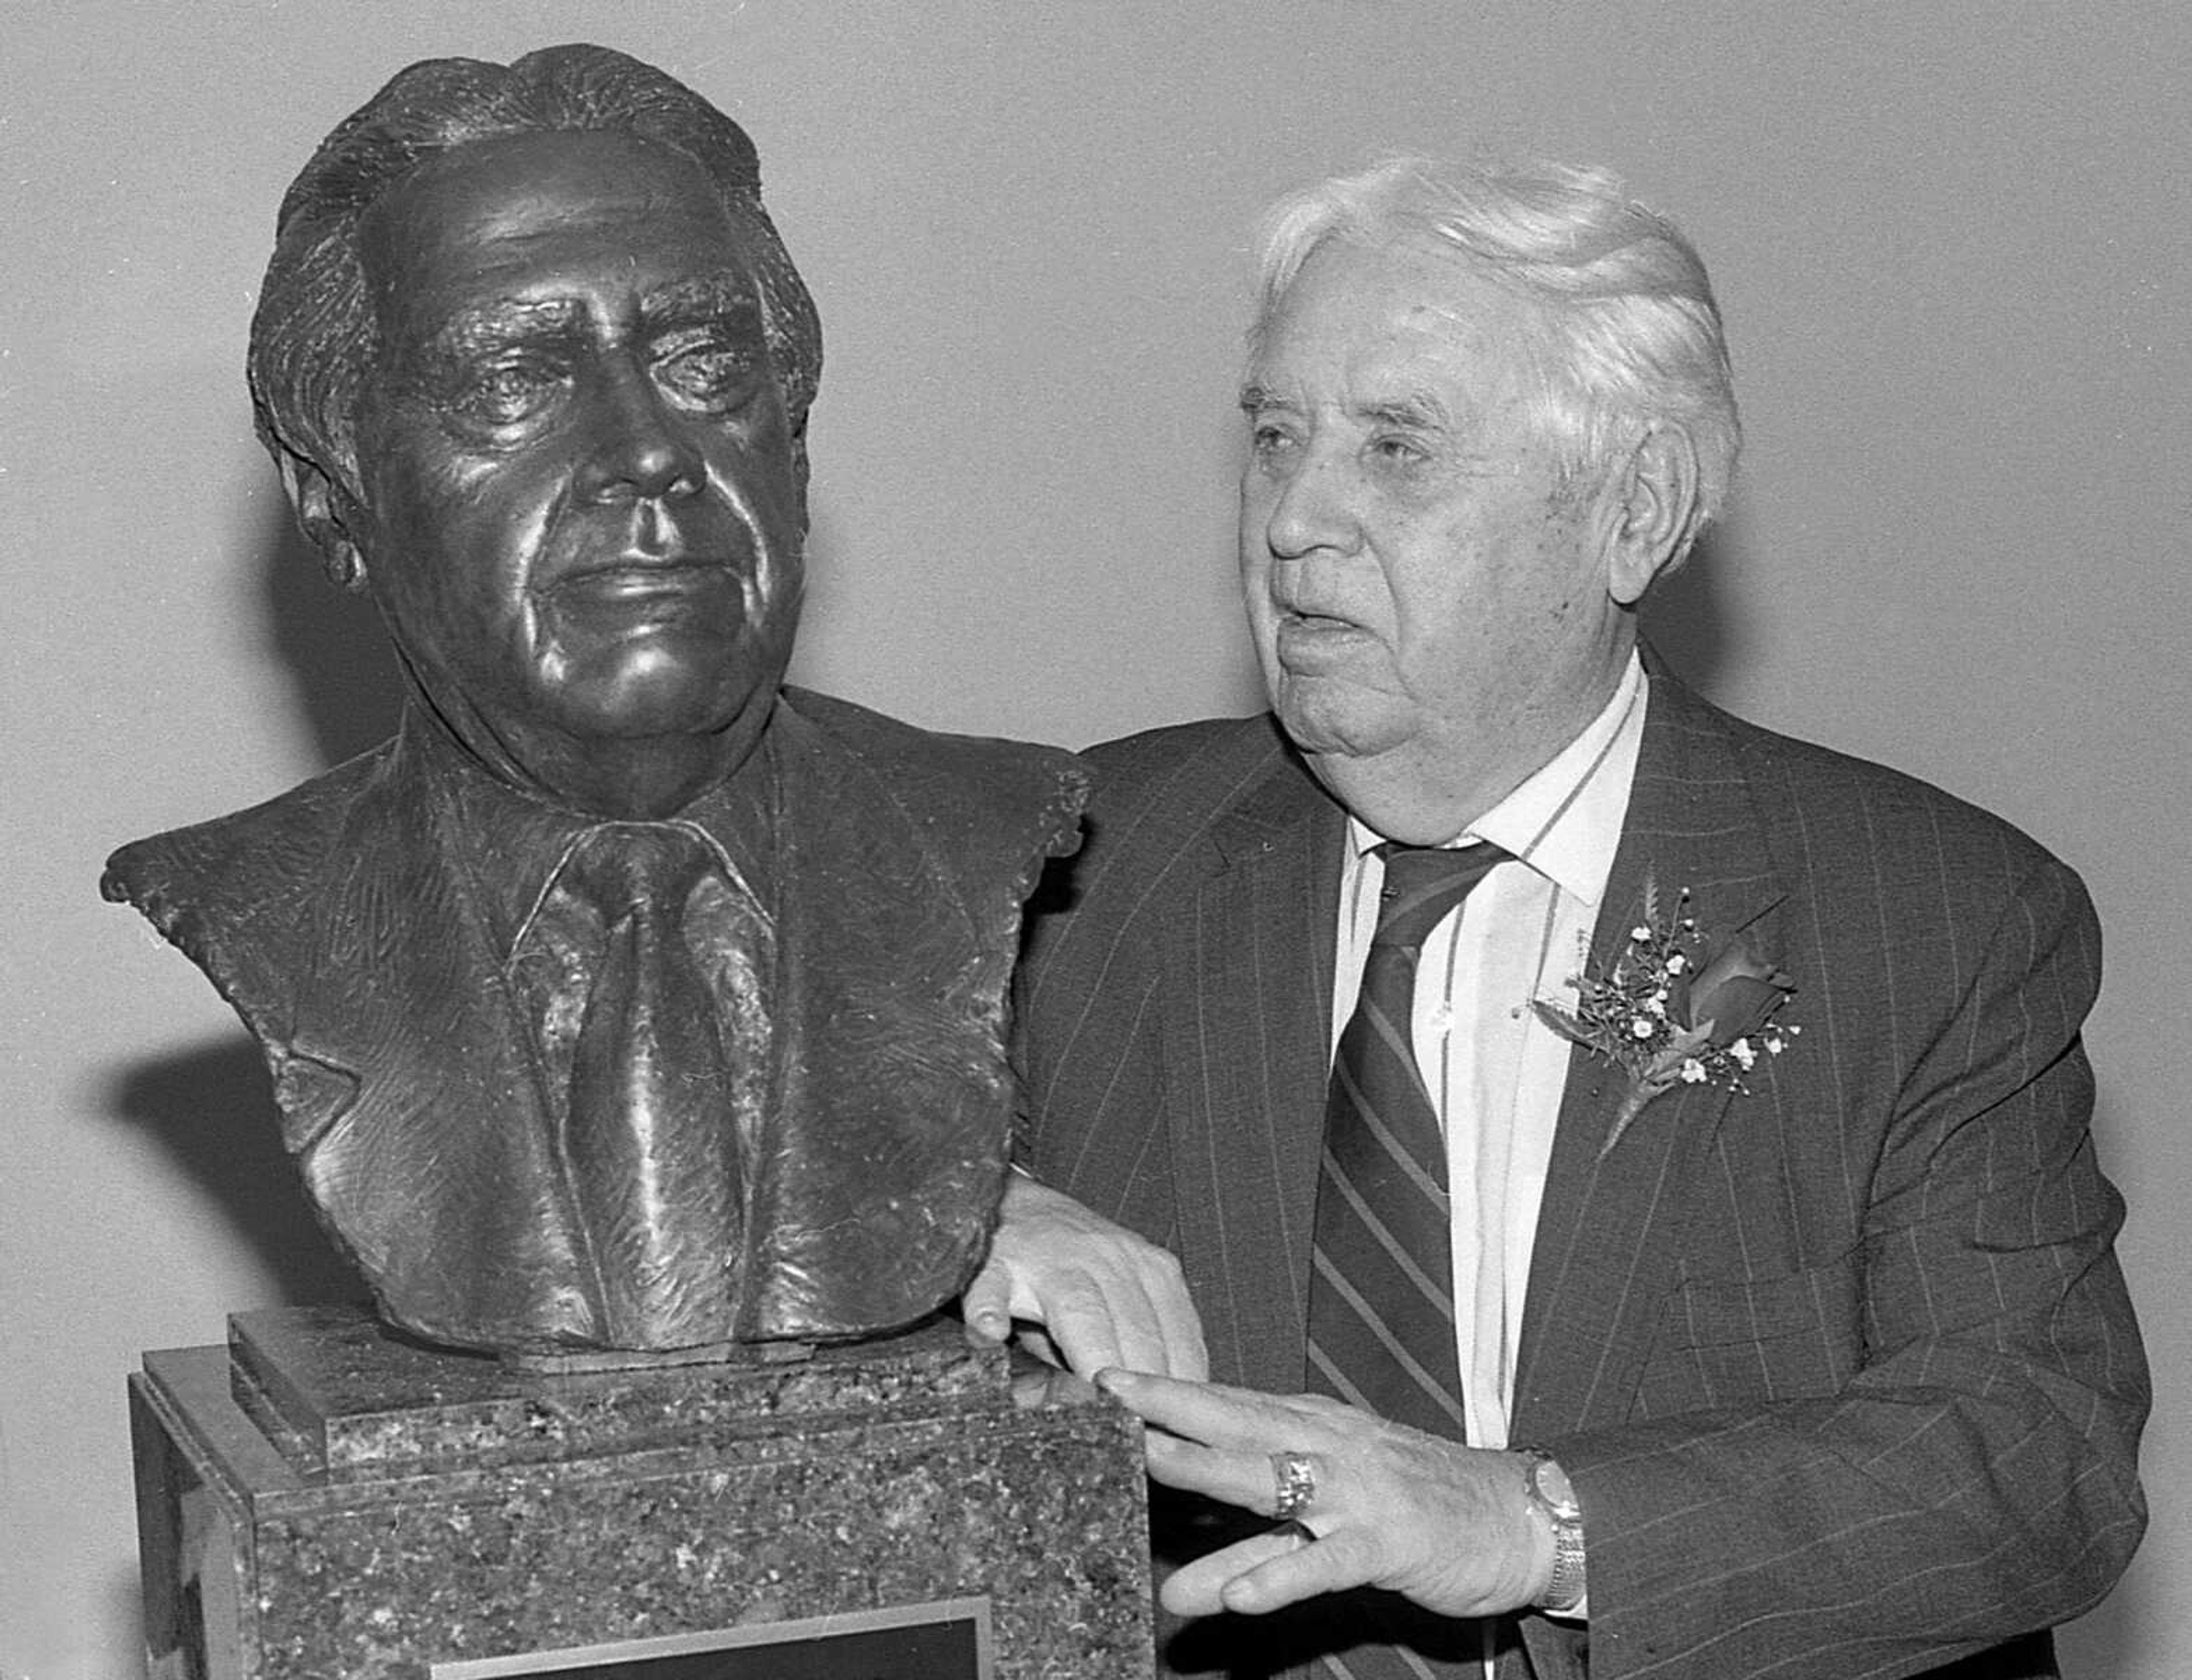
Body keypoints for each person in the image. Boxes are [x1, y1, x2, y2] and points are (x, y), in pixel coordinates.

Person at [963, 158, 2147, 1678]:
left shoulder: (1930, 922)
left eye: (1396, 449)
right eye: (1277, 440)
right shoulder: (1071, 867)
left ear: (1633, 510)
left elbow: (2031, 1460)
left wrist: (1534, 1523)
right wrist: (981, 1207)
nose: (1295, 521)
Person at [102, 46, 1084, 1359]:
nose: (642, 451)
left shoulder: (988, 831)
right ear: (337, 500)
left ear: (792, 450)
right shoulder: (263, 902)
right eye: (513, 380)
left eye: (702, 362)